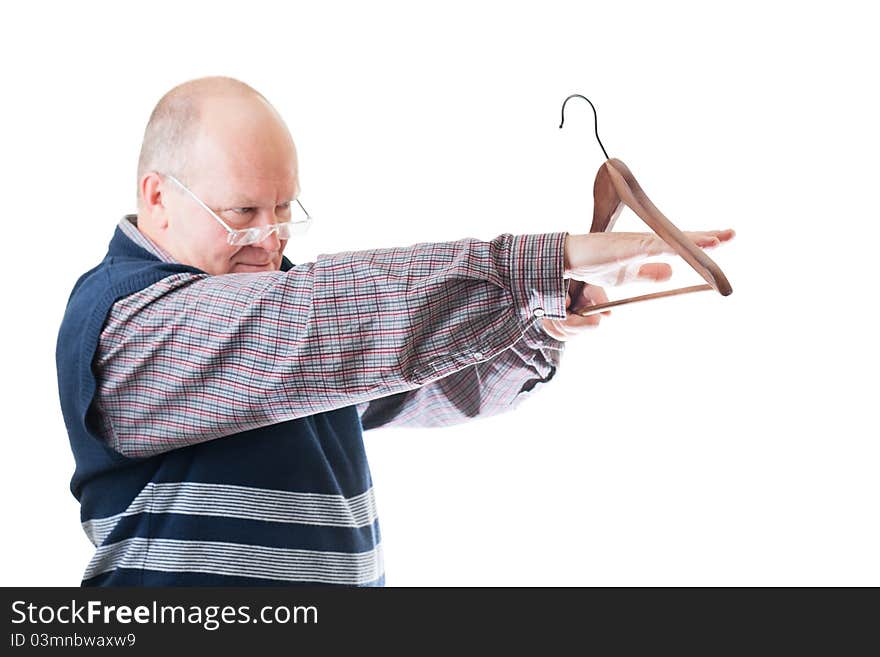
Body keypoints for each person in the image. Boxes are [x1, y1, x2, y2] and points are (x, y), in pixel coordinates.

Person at [55, 76, 734, 586]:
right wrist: (532, 265)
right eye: (242, 212)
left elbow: (428, 383)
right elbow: (320, 320)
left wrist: (535, 327)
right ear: (157, 197)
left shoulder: (280, 314)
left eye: (283, 209)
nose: (267, 238)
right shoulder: (128, 323)